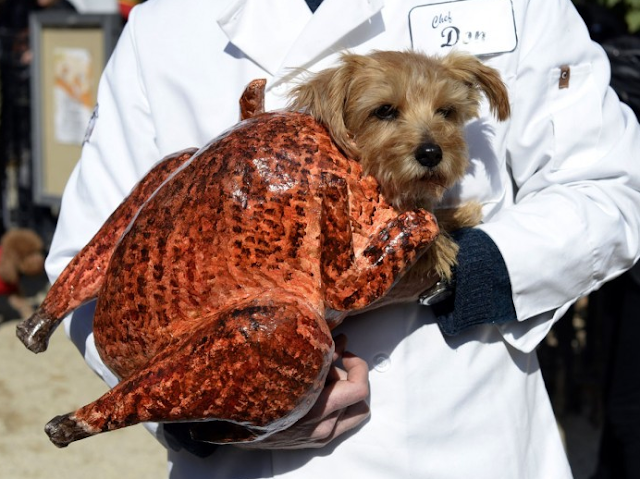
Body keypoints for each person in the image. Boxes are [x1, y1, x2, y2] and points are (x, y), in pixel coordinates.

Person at [44, 0, 640, 478]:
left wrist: (453, 270)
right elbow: (92, 256)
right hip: (244, 464)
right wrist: (209, 412)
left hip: (458, 439)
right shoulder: (166, 25)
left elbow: (611, 188)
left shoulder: (521, 4)